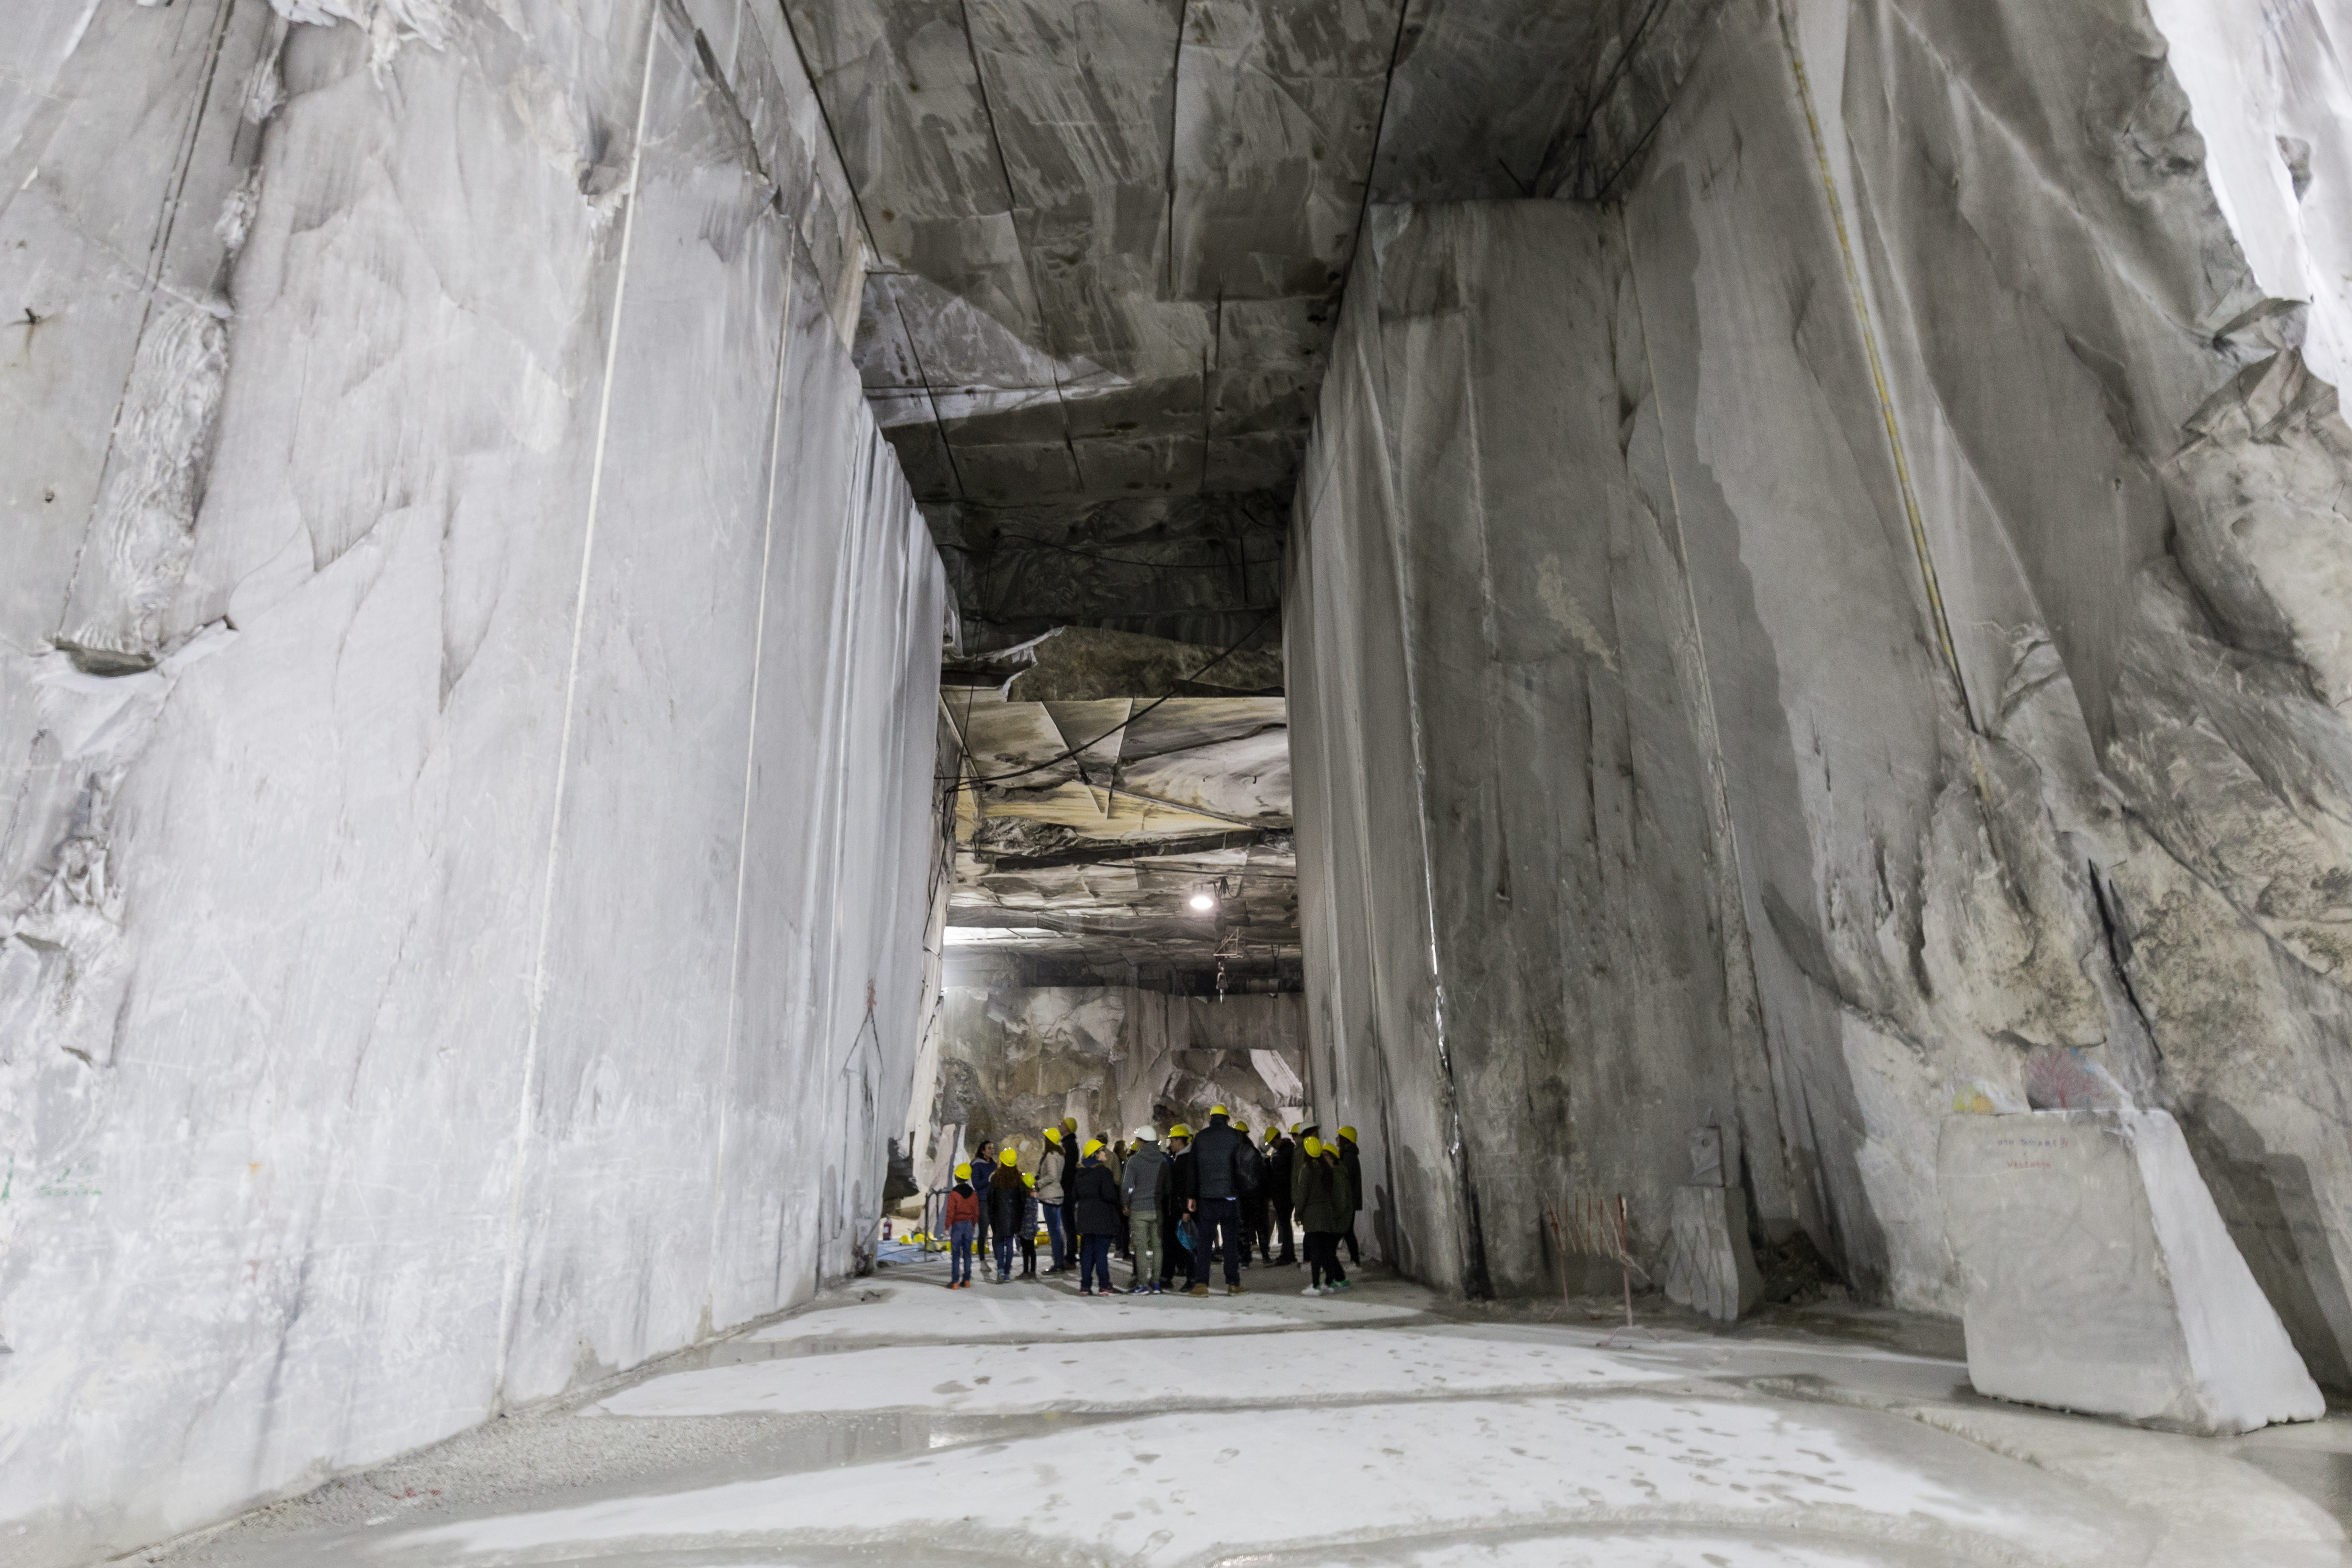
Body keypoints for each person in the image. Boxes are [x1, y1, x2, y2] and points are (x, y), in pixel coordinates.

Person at [1185, 1107, 1252, 1296]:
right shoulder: (1236, 1136)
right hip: (1230, 1196)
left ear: (1211, 1118)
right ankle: (1233, 1284)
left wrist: (1192, 1196)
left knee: (1205, 1242)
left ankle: (1201, 1285)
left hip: (1207, 1197)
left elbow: (1193, 1168)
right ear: (1227, 1119)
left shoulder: (1201, 1137)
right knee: (1230, 1241)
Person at [1295, 1136, 1352, 1294]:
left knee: (1316, 1252)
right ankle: (1330, 1282)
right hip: (1327, 1217)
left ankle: (1316, 1285)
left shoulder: (1307, 1170)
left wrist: (1298, 1214)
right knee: (1327, 1251)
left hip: (1314, 1217)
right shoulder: (1327, 1170)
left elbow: (1302, 1195)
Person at [1120, 1125, 1172, 1293]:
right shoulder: (1163, 1161)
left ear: (1141, 1141)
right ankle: (1156, 1283)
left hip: (1139, 1210)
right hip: (1157, 1211)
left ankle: (1142, 1284)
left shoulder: (1134, 1161)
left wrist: (1126, 1204)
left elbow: (1126, 1186)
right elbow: (1167, 1188)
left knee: (1141, 1249)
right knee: (1158, 1247)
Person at [1070, 1139, 1123, 1296]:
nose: (1105, 1153)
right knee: (1101, 1253)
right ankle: (1104, 1285)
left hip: (1085, 1217)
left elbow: (1074, 1195)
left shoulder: (1080, 1173)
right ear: (1095, 1154)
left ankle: (1085, 1286)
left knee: (1087, 1252)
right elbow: (1110, 1195)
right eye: (1102, 1151)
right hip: (1102, 1217)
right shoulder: (1104, 1172)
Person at [1162, 1123, 1196, 1289]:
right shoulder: (1186, 1158)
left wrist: (1185, 1210)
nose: (1171, 1144)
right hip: (1183, 1209)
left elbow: (1186, 1187)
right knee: (1184, 1244)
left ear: (1181, 1141)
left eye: (1173, 1140)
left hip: (1184, 1211)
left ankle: (1192, 1279)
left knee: (1188, 1244)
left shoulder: (1184, 1161)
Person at [986, 1147, 1025, 1283]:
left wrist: (991, 1216)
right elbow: (1022, 1200)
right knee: (1010, 1243)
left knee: (998, 1242)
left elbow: (990, 1199)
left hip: (998, 1216)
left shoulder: (996, 1178)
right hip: (1013, 1217)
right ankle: (1007, 1272)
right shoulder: (1019, 1179)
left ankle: (1000, 1269)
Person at [1035, 1127, 1071, 1274]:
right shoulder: (1060, 1155)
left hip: (1050, 1196)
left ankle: (1058, 1263)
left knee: (1054, 1231)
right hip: (1058, 1195)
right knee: (1057, 1230)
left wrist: (1039, 1183)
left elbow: (1052, 1176)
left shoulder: (1050, 1156)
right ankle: (1059, 1261)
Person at [944, 1163, 980, 1290]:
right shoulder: (973, 1193)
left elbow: (950, 1212)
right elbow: (976, 1212)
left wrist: (947, 1226)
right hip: (969, 1225)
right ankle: (967, 1280)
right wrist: (974, 1225)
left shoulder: (954, 1194)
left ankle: (955, 1282)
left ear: (956, 1177)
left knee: (956, 1254)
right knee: (967, 1254)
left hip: (957, 1225)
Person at [1266, 1125, 1297, 1266]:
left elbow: (1286, 1175)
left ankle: (1288, 1255)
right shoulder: (1281, 1151)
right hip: (1281, 1194)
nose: (1273, 1145)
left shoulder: (1288, 1151)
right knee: (1285, 1225)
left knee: (1285, 1225)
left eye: (1274, 1142)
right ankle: (1287, 1253)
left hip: (1285, 1194)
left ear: (1278, 1138)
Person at [1336, 1125, 1364, 1265]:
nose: (1337, 1140)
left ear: (1344, 1140)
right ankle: (1355, 1261)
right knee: (1347, 1232)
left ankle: (1355, 1261)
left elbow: (1344, 1181)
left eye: (1339, 1137)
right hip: (1349, 1200)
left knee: (1346, 1232)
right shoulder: (1350, 1156)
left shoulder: (1348, 1158)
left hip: (1348, 1201)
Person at [970, 1137, 996, 1262]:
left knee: (996, 1230)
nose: (992, 1151)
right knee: (984, 1230)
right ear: (983, 1151)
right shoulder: (977, 1166)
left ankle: (998, 1256)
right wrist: (989, 1179)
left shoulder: (994, 1165)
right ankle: (982, 1257)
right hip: (983, 1201)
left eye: (993, 1148)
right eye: (989, 1148)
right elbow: (977, 1184)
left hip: (994, 1200)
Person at [1019, 1173, 1040, 1278]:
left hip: (1024, 1228)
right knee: (1032, 1250)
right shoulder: (1035, 1199)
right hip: (1033, 1227)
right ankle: (1033, 1271)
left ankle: (1026, 1272)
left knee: (1025, 1251)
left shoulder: (1025, 1200)